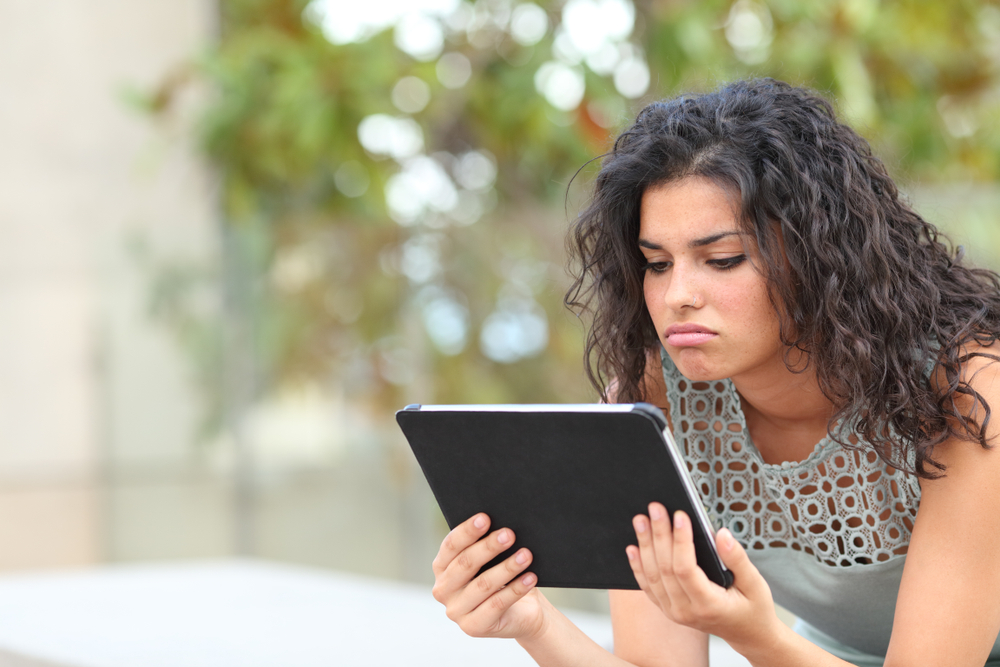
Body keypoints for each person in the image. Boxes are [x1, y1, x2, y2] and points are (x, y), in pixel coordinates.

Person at [428, 78, 1000, 666]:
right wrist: (531, 621)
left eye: (722, 260)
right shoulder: (654, 398)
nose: (677, 295)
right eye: (655, 263)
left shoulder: (968, 390)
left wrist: (757, 636)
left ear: (822, 255)